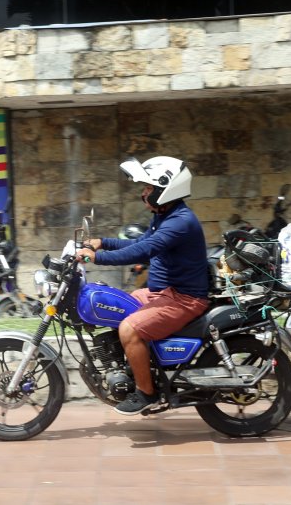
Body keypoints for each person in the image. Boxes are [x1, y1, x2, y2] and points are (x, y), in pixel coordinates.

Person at [80, 156, 210, 415]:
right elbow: (138, 243)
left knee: (130, 328)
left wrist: (98, 258)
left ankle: (147, 393)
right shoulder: (165, 216)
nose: (144, 193)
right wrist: (101, 242)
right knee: (117, 304)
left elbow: (144, 251)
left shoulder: (180, 221)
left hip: (183, 299)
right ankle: (138, 367)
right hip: (161, 294)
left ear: (166, 188)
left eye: (149, 188)